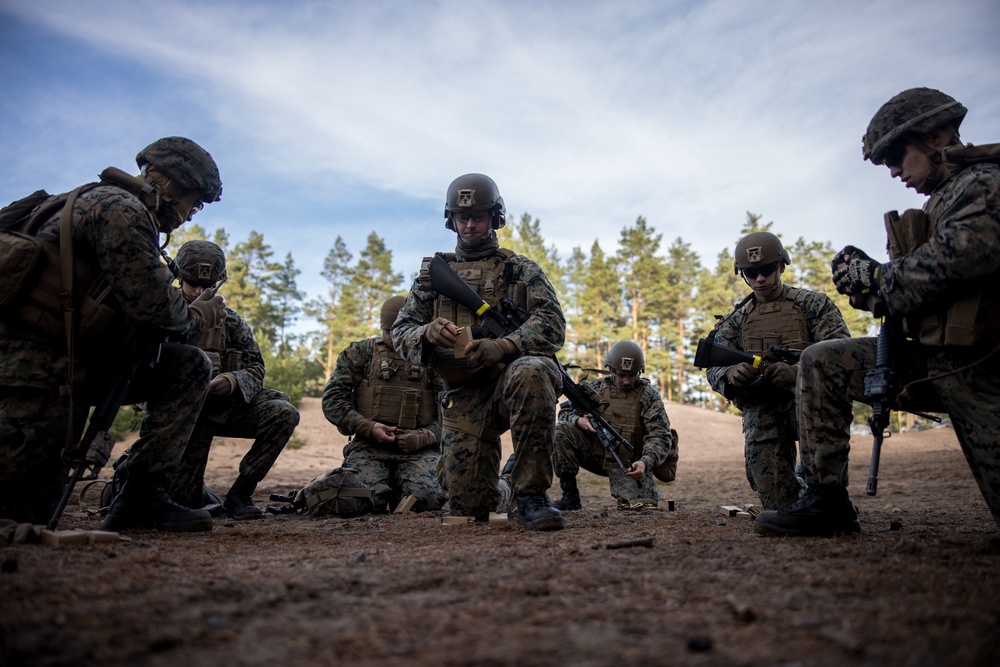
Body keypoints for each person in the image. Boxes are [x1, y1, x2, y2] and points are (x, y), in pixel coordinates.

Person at [755, 87, 1000, 536]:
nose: (892, 170)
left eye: (896, 154)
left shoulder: (984, 184)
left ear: (936, 134)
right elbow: (918, 293)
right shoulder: (944, 197)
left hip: (984, 367)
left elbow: (951, 267)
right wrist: (869, 285)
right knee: (823, 360)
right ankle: (825, 499)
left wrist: (873, 277)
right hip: (939, 360)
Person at [0, 137, 225, 531]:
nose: (190, 216)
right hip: (39, 377)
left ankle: (140, 498)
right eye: (194, 203)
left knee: (185, 366)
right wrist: (200, 315)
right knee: (20, 519)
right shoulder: (120, 210)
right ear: (171, 185)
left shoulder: (82, 199)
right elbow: (160, 313)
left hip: (57, 366)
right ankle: (138, 498)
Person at [391, 173, 566, 531]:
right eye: (461, 217)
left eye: (479, 216)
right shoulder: (430, 277)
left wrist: (504, 345)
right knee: (472, 506)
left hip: (511, 383)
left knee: (532, 370)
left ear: (496, 217)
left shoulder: (520, 269)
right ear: (450, 220)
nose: (469, 224)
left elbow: (552, 323)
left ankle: (532, 494)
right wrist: (427, 332)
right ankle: (506, 489)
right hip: (464, 396)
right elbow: (401, 332)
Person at [148, 240, 300, 520]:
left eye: (208, 287)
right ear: (178, 277)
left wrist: (231, 381)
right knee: (185, 500)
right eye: (192, 283)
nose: (199, 292)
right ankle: (140, 476)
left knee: (283, 412)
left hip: (221, 408)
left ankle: (239, 495)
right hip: (179, 419)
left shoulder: (231, 322)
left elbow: (255, 367)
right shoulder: (161, 316)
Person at [706, 231, 849, 510]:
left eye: (767, 270)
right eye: (751, 272)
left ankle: (827, 499)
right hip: (762, 409)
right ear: (742, 274)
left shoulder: (813, 306)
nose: (760, 279)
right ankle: (799, 493)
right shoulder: (733, 322)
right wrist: (731, 375)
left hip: (811, 403)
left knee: (824, 496)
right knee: (778, 505)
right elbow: (713, 366)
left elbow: (841, 356)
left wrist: (797, 373)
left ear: (781, 266)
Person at [322, 295, 446, 513]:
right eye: (389, 332)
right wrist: (367, 427)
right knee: (359, 501)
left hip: (419, 451)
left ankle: (403, 489)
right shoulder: (360, 353)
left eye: (401, 332)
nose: (395, 338)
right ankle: (384, 491)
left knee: (426, 500)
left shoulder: (434, 359)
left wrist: (425, 436)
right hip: (369, 446)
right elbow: (333, 400)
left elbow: (453, 412)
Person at [552, 340, 677, 510]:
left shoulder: (649, 396)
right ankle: (570, 497)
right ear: (610, 370)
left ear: (639, 372)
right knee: (561, 431)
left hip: (630, 463)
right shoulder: (595, 388)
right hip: (596, 454)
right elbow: (565, 414)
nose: (626, 381)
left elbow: (660, 436)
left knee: (641, 507)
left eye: (632, 375)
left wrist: (645, 462)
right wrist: (579, 421)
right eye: (621, 375)